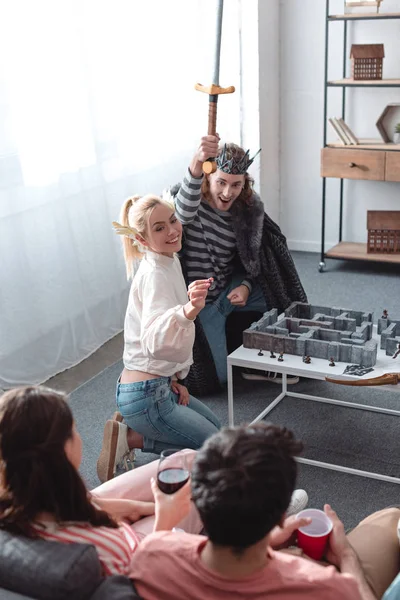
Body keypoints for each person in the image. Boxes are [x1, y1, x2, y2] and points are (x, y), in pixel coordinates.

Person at [131, 422, 400, 600]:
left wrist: (267, 546)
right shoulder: (325, 587)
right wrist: (346, 557)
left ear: (197, 502)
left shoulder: (151, 554)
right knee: (391, 519)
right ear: (283, 513)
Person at [0, 386, 202, 577]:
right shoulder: (99, 551)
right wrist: (165, 519)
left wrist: (146, 507)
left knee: (185, 458)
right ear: (62, 452)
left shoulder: (32, 492)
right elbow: (142, 578)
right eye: (74, 430)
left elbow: (89, 503)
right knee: (197, 502)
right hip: (138, 552)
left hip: (88, 512)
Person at [96, 193, 221, 482]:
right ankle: (131, 439)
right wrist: (188, 310)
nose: (173, 230)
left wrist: (175, 379)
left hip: (155, 385)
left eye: (173, 220)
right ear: (141, 240)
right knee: (217, 449)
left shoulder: (167, 260)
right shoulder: (155, 273)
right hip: (145, 396)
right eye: (159, 228)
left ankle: (129, 438)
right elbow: (153, 339)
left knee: (218, 433)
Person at [172, 136, 308, 396]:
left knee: (281, 297)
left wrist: (245, 285)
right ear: (208, 178)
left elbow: (253, 259)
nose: (227, 192)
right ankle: (233, 343)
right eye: (221, 182)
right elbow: (181, 213)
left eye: (236, 184)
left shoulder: (247, 209)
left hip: (228, 288)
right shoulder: (192, 203)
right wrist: (197, 160)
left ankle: (259, 354)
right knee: (218, 380)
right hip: (203, 304)